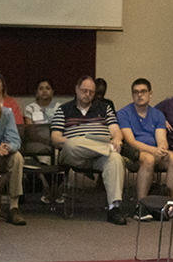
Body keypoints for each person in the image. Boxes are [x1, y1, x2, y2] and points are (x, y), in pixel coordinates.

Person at [51, 75, 126, 225]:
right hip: (74, 154)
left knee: (116, 159)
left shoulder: (104, 108)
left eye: (91, 92)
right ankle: (107, 148)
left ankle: (114, 208)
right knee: (71, 143)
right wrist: (84, 143)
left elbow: (116, 131)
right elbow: (55, 138)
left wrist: (117, 139)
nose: (88, 94)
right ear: (76, 89)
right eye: (84, 91)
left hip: (99, 157)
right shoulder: (63, 110)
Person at [117, 78, 173, 204]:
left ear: (150, 93)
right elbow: (130, 141)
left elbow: (161, 138)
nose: (139, 95)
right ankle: (141, 204)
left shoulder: (158, 115)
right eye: (136, 92)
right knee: (149, 159)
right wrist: (154, 150)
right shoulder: (123, 113)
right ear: (132, 95)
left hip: (155, 151)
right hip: (133, 153)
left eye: (143, 91)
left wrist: (162, 149)